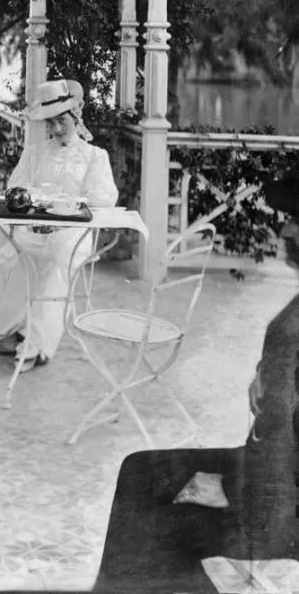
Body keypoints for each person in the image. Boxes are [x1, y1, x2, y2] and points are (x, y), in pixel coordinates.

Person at [92, 179, 299, 592]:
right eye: (291, 217)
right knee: (138, 470)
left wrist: (232, 487)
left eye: (298, 220)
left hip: (282, 506)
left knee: (153, 531)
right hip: (269, 471)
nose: (286, 230)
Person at [0, 79, 118, 372]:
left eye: (62, 121)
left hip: (72, 234)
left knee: (55, 263)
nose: (55, 129)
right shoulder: (36, 152)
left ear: (77, 116)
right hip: (35, 229)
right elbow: (17, 187)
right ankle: (0, 331)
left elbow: (105, 198)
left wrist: (68, 203)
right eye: (50, 123)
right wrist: (35, 205)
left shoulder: (94, 156)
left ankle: (35, 342)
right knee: (6, 260)